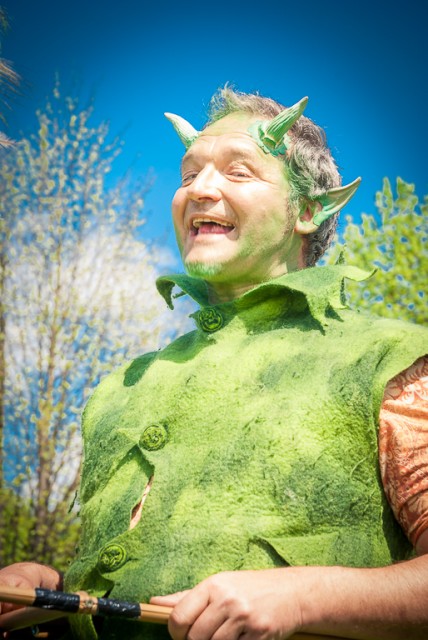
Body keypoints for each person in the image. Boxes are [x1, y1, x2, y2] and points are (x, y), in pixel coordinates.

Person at [0, 87, 427, 640]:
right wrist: (53, 589)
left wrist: (304, 598)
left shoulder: (387, 358)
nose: (199, 190)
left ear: (306, 210)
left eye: (238, 171)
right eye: (187, 175)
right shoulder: (122, 386)